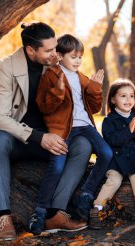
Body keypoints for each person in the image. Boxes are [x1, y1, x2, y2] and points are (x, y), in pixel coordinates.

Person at [0, 22, 91, 241]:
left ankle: (55, 213)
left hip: (51, 136)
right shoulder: (5, 68)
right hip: (17, 139)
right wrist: (39, 137)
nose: (54, 53)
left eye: (55, 48)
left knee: (83, 145)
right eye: (48, 50)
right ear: (30, 50)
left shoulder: (58, 65)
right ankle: (4, 216)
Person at [33, 34, 113, 231]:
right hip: (62, 130)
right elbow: (44, 107)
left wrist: (94, 87)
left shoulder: (80, 76)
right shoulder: (50, 75)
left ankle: (86, 195)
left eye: (80, 57)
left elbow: (93, 108)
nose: (78, 61)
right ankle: (40, 212)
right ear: (59, 56)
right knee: (57, 167)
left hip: (85, 126)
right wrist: (58, 92)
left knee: (106, 153)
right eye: (73, 57)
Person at [88, 79, 135, 229]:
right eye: (123, 96)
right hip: (115, 161)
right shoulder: (108, 121)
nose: (128, 100)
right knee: (114, 181)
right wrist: (128, 131)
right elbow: (112, 140)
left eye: (131, 96)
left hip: (133, 160)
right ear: (112, 99)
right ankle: (96, 209)